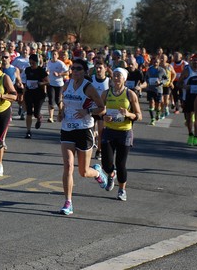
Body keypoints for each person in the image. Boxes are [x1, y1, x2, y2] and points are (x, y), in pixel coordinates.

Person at [58, 58, 107, 215]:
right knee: (68, 165)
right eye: (73, 68)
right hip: (67, 128)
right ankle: (68, 202)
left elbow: (102, 108)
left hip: (84, 130)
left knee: (83, 172)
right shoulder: (66, 85)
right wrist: (60, 111)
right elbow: (63, 102)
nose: (75, 71)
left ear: (85, 72)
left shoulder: (89, 88)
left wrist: (88, 112)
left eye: (79, 69)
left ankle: (98, 173)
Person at [101, 67, 142, 201]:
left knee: (121, 164)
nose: (116, 78)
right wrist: (104, 117)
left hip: (124, 132)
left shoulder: (130, 94)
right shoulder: (106, 94)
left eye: (119, 76)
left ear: (124, 79)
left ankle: (122, 190)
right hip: (109, 131)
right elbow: (100, 111)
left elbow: (139, 115)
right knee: (106, 163)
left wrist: (128, 114)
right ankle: (111, 174)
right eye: (115, 75)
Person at [179, 54, 197, 146]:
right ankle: (190, 134)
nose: (195, 62)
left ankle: (195, 136)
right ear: (191, 61)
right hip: (188, 97)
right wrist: (185, 86)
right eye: (194, 60)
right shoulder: (187, 71)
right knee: (189, 118)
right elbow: (178, 84)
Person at [23, 54, 49, 139]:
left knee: (36, 113)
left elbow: (48, 82)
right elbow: (25, 82)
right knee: (29, 112)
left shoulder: (41, 70)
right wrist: (24, 95)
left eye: (33, 63)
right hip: (29, 93)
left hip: (39, 94)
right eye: (30, 62)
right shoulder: (27, 70)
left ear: (37, 62)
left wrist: (41, 83)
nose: (32, 64)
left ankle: (39, 117)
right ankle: (28, 131)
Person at [46, 50, 69, 123]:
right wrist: (47, 72)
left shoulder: (60, 63)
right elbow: (46, 70)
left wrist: (59, 74)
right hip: (50, 84)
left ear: (58, 56)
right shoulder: (48, 63)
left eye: (55, 54)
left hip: (59, 84)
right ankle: (50, 117)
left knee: (58, 100)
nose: (54, 56)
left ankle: (60, 112)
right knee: (50, 100)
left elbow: (67, 72)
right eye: (52, 54)